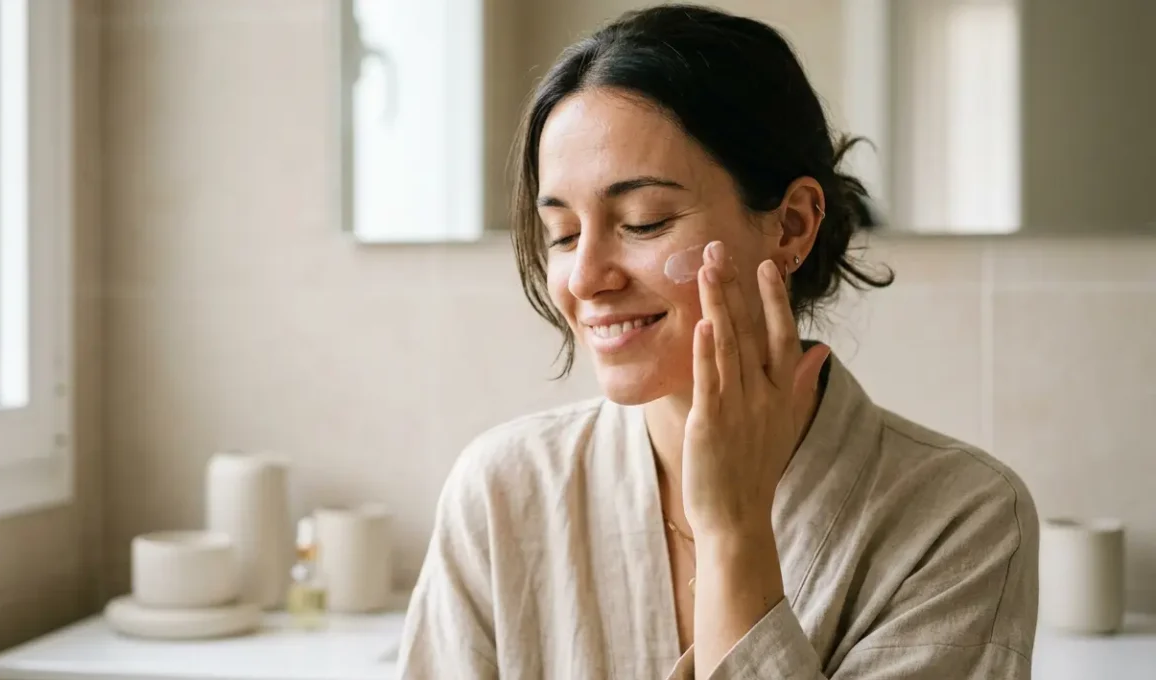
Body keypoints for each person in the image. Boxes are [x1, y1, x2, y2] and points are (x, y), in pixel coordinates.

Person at [396, 5, 1038, 679]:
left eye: (643, 222)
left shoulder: (963, 519)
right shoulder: (500, 493)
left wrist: (733, 534)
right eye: (560, 234)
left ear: (790, 225)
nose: (585, 277)